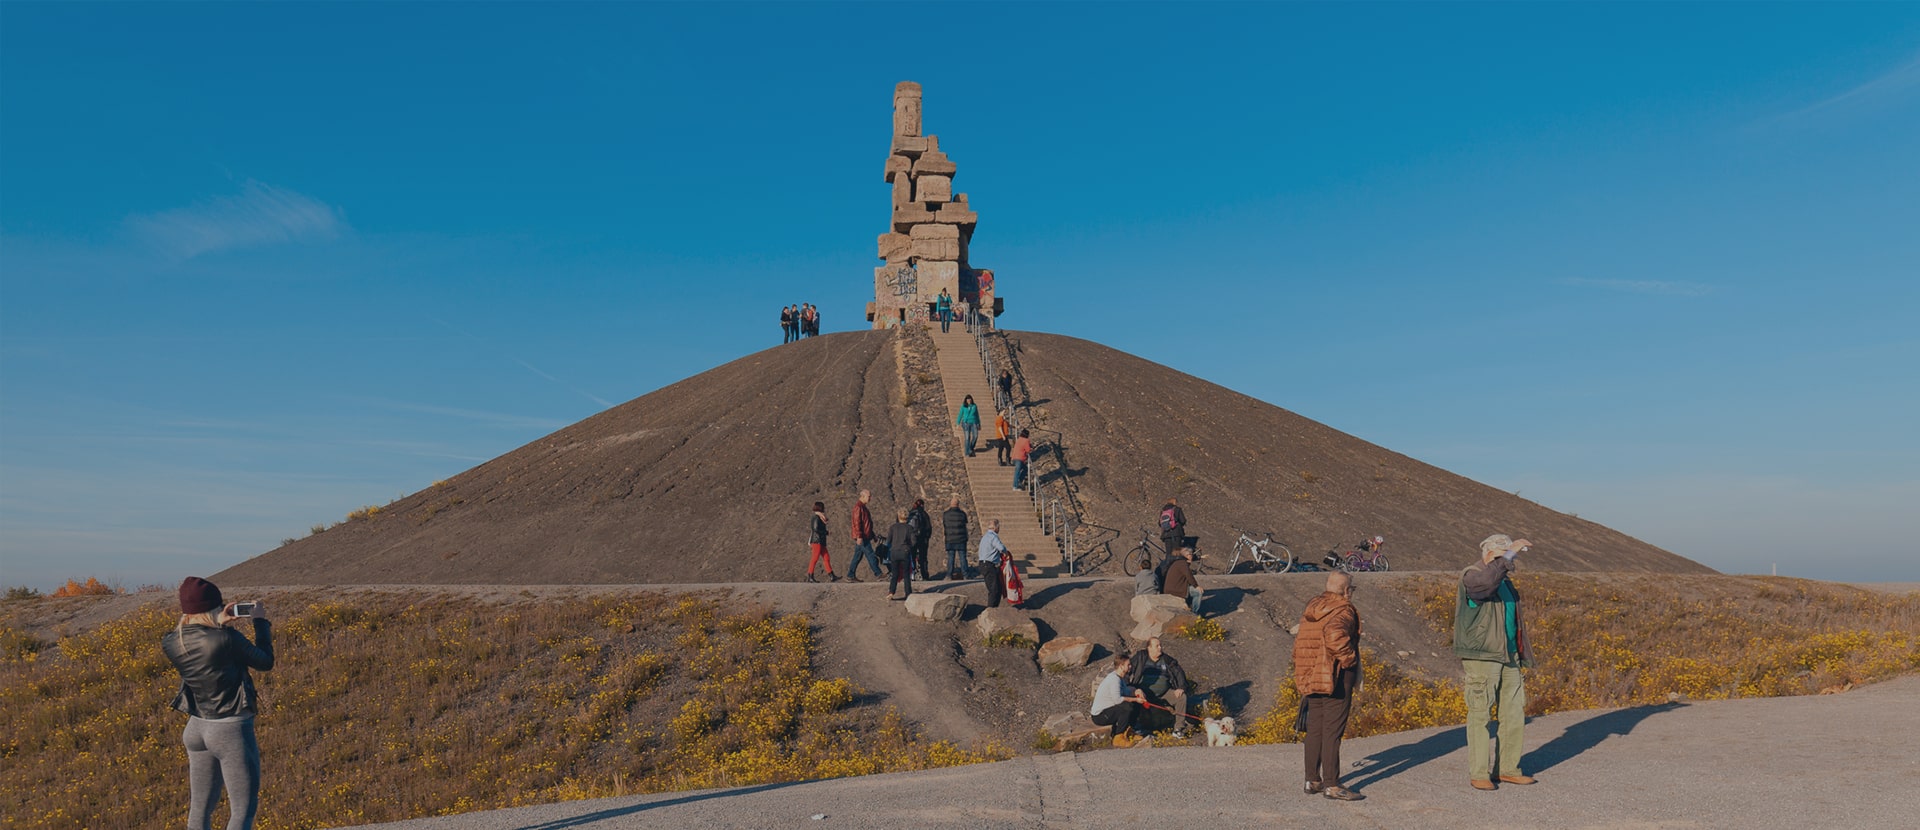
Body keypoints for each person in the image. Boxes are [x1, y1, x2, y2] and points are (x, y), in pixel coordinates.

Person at [161, 577, 275, 830]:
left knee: (200, 809)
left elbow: (206, 649)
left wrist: (219, 625)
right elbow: (265, 662)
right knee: (242, 811)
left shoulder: (171, 641)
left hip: (197, 727)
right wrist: (260, 622)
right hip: (230, 729)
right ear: (215, 607)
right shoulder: (227, 638)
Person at [1457, 533, 1538, 791]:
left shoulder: (1505, 582)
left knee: (1514, 714)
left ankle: (1507, 769)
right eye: (1504, 557)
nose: (1509, 563)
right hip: (1483, 656)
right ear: (1491, 554)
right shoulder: (1472, 575)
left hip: (1510, 656)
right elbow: (1483, 587)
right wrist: (1506, 558)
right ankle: (1479, 772)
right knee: (1481, 714)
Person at [1294, 571, 1364, 801]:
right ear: (1346, 591)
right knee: (1332, 730)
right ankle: (1332, 784)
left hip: (1311, 675)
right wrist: (1349, 660)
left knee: (1315, 728)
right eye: (1351, 588)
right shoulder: (1343, 609)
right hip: (1334, 677)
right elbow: (1335, 636)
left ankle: (1312, 779)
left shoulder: (1313, 607)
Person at [1127, 636, 1193, 739]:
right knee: (1130, 699)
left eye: (1160, 645)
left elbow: (1179, 672)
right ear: (1149, 648)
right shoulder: (1141, 657)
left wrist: (1181, 687)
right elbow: (1127, 670)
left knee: (1181, 697)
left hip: (1164, 692)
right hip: (1144, 692)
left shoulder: (1166, 659)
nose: (1160, 648)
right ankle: (1134, 727)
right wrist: (1130, 687)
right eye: (1157, 646)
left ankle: (1178, 729)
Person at [1090, 654, 1149, 747]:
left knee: (1133, 704)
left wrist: (1137, 691)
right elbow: (1117, 700)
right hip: (1100, 715)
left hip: (1109, 710)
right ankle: (1118, 737)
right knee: (1126, 707)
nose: (1130, 666)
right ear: (1121, 666)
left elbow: (1127, 691)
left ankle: (1129, 731)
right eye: (1128, 665)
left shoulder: (1119, 678)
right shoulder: (1114, 679)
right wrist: (1135, 699)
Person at [848, 490, 882, 582]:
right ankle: (878, 573)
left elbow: (867, 524)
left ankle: (850, 575)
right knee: (870, 555)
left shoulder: (863, 507)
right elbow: (857, 523)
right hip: (862, 537)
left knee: (857, 556)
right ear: (863, 496)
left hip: (865, 536)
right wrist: (859, 536)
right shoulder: (858, 507)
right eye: (868, 496)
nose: (870, 498)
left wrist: (873, 535)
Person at [886, 509, 917, 599]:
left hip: (894, 552)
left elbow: (888, 540)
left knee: (894, 574)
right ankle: (908, 593)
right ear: (907, 517)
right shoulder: (909, 528)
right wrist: (909, 547)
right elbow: (914, 541)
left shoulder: (893, 527)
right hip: (905, 551)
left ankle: (891, 592)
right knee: (906, 574)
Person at [977, 518, 1008, 607]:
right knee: (994, 589)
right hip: (988, 565)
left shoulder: (985, 536)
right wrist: (1005, 552)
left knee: (997, 588)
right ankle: (991, 610)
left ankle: (994, 608)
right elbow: (1001, 548)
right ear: (995, 527)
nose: (999, 529)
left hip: (985, 564)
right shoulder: (993, 537)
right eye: (999, 527)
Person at [1162, 546, 1202, 615]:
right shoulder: (1183, 564)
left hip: (1172, 588)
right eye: (1191, 554)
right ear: (1187, 555)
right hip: (1176, 590)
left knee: (1191, 590)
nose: (1192, 556)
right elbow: (1189, 576)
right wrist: (1196, 586)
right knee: (1198, 592)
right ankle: (1195, 613)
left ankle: (1189, 606)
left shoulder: (1179, 562)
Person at [805, 502, 837, 583]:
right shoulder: (816, 517)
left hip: (821, 541)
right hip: (817, 541)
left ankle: (832, 575)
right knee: (814, 558)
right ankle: (810, 575)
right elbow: (816, 529)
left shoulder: (820, 517)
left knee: (826, 557)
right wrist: (826, 532)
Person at [942, 495, 972, 580]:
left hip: (950, 539)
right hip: (961, 539)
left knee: (951, 557)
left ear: (951, 504)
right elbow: (965, 524)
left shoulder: (946, 514)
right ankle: (965, 574)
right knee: (962, 557)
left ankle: (949, 575)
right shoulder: (962, 514)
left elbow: (944, 525)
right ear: (958, 504)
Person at [907, 497, 933, 581]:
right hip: (922, 539)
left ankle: (912, 575)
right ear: (922, 505)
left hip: (911, 538)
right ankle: (924, 575)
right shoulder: (923, 514)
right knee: (923, 557)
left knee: (912, 556)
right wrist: (927, 537)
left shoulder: (910, 513)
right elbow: (928, 527)